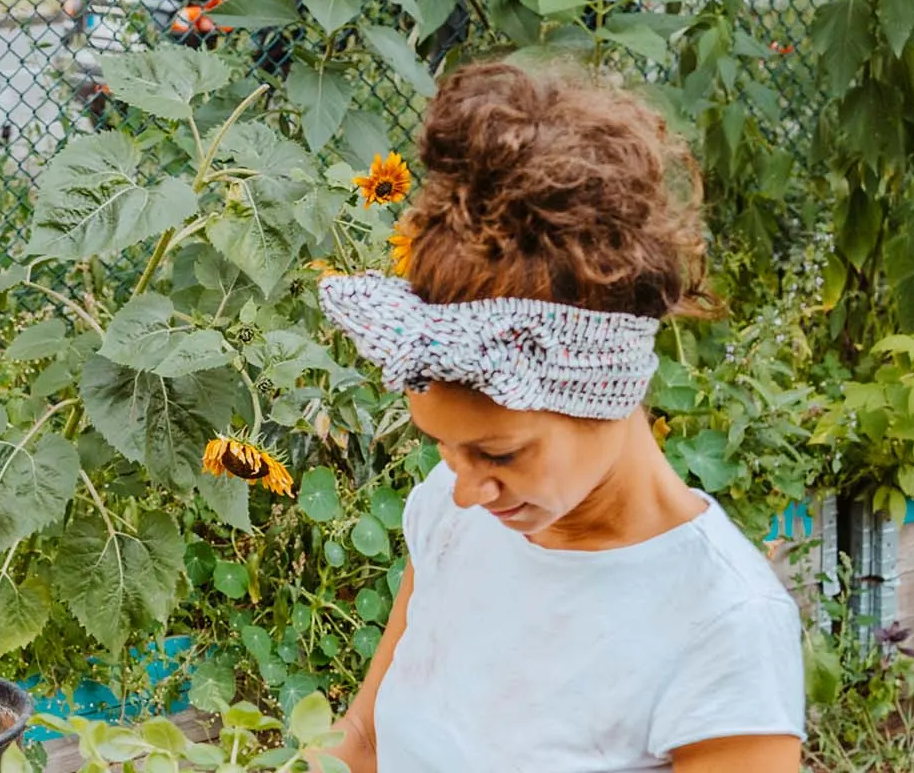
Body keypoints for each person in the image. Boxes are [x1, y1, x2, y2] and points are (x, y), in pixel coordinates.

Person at [307, 61, 806, 772]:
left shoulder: (720, 627)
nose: (465, 488)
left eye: (500, 454)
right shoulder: (452, 520)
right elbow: (363, 743)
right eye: (444, 448)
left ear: (603, 392)